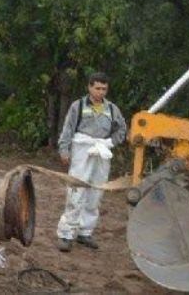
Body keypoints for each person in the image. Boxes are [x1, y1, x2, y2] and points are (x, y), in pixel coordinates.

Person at [56, 72, 126, 252]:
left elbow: (122, 130)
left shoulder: (112, 109)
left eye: (104, 89)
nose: (101, 92)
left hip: (102, 152)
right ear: (89, 87)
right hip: (82, 150)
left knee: (96, 191)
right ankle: (66, 234)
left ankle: (85, 232)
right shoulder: (78, 106)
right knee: (76, 190)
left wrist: (110, 142)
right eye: (97, 88)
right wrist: (64, 150)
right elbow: (68, 128)